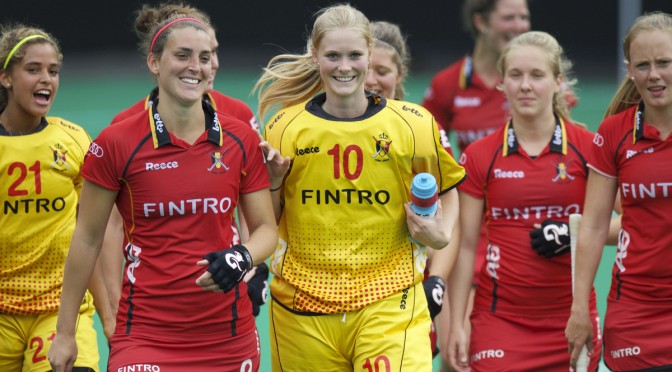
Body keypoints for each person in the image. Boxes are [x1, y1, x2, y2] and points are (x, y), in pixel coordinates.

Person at [48, 15, 277, 372]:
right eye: (182, 55)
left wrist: (241, 257)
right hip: (144, 336)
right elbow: (87, 238)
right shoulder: (116, 142)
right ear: (154, 63)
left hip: (229, 337)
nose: (196, 67)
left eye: (204, 57)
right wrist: (65, 332)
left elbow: (266, 229)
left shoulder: (239, 138)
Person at [255, 4, 465, 371]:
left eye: (355, 55)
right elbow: (265, 223)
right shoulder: (284, 128)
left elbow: (448, 189)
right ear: (315, 56)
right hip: (301, 310)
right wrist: (273, 184)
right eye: (333, 56)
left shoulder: (413, 125)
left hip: (389, 303)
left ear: (369, 56)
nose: (344, 66)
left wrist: (440, 234)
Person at [98, 3, 269, 334]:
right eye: (187, 54)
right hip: (152, 304)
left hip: (222, 301)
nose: (211, 64)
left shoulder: (239, 118)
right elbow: (108, 227)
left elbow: (252, 207)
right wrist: (112, 309)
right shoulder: (123, 129)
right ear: (157, 60)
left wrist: (253, 266)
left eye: (211, 53)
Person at [447, 31, 601, 371]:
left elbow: (624, 223)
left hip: (571, 317)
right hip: (499, 321)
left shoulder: (589, 148)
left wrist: (569, 231)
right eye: (515, 75)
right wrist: (457, 323)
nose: (525, 86)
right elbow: (466, 245)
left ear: (558, 81)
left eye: (537, 75)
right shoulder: (479, 155)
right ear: (502, 84)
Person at [422, 2, 530, 369]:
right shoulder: (448, 84)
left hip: (516, 234)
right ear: (481, 21)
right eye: (510, 17)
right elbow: (428, 156)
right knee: (459, 355)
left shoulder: (530, 82)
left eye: (525, 17)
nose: (520, 25)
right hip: (466, 233)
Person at [565, 12, 672, 371]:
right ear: (629, 69)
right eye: (643, 65)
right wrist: (580, 307)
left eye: (664, 63)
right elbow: (594, 226)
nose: (654, 75)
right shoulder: (614, 132)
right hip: (637, 309)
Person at [0, 24, 108, 372]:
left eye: (53, 71)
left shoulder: (74, 140)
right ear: (6, 78)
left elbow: (89, 236)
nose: (46, 79)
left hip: (59, 312)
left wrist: (109, 317)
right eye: (33, 70)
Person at [365, 20, 453, 360]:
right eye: (367, 68)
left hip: (406, 288)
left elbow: (450, 207)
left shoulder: (421, 128)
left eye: (383, 70)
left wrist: (439, 280)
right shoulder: (327, 126)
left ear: (400, 73)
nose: (372, 80)